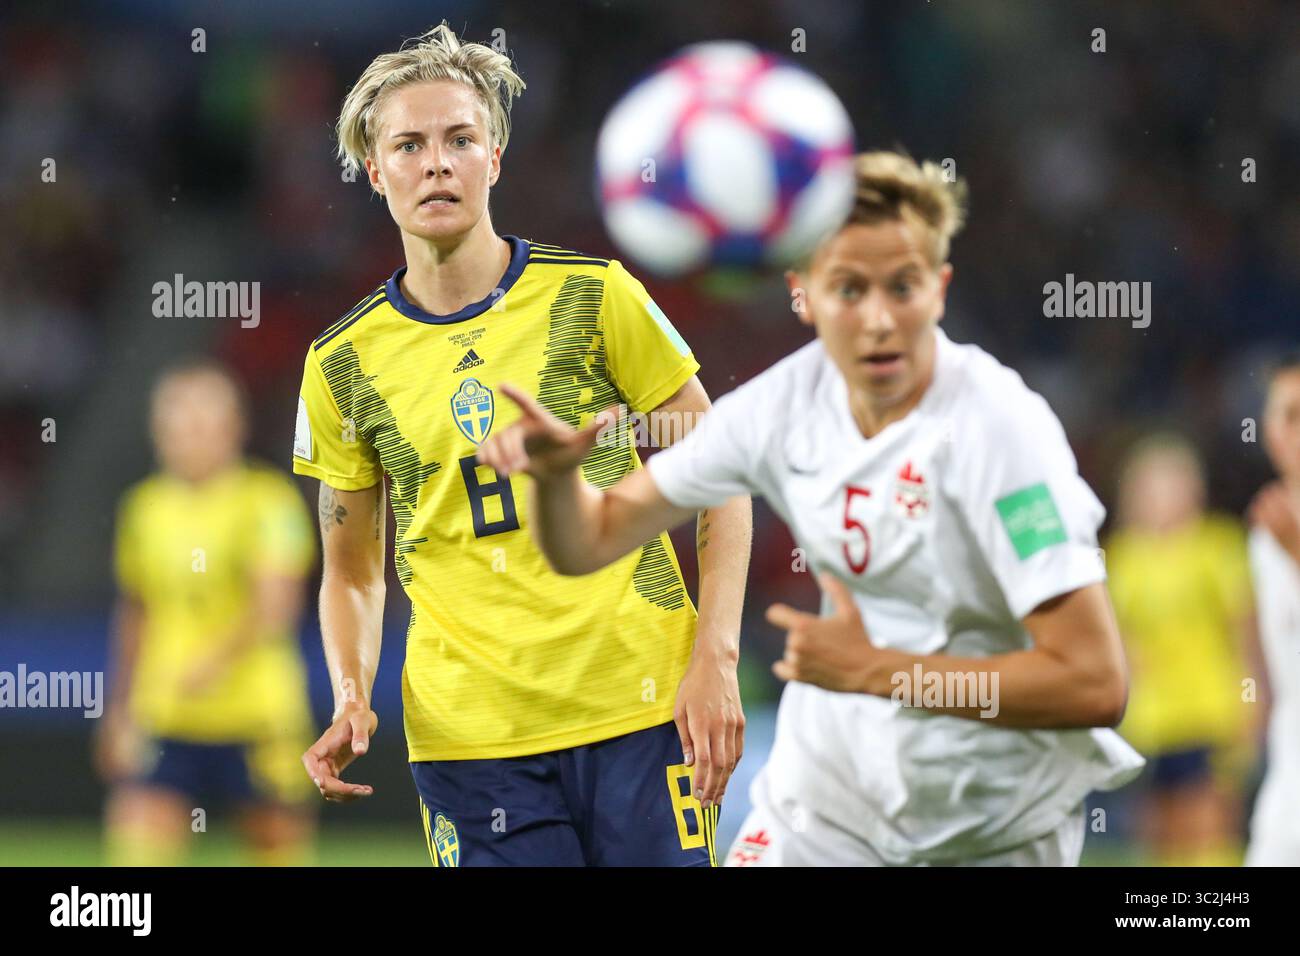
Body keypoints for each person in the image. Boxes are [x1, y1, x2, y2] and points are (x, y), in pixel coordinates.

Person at [477, 150, 1146, 866]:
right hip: (822, 815)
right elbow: (590, 540)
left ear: (940, 288)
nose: (880, 319)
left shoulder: (1002, 433)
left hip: (996, 827)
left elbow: (1094, 683)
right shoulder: (780, 406)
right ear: (802, 292)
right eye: (849, 289)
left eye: (904, 286)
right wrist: (555, 482)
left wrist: (877, 673)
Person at [293, 24, 751, 867]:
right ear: (374, 169)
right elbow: (352, 565)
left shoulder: (595, 295)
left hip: (640, 703)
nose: (438, 163)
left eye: (461, 139)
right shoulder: (341, 365)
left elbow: (720, 475)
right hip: (470, 737)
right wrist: (351, 691)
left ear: (494, 159)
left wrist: (716, 662)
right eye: (410, 144)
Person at [97, 360, 317, 865]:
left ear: (233, 428)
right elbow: (136, 610)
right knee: (136, 851)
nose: (188, 438)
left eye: (202, 424)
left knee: (275, 848)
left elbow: (277, 603)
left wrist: (214, 661)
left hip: (257, 716)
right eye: (177, 425)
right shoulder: (143, 509)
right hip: (168, 712)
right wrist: (120, 705)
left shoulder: (268, 501)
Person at [1105, 434, 1254, 866]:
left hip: (1211, 713)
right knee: (1159, 834)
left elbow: (1244, 632)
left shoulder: (1217, 547)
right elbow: (1112, 636)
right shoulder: (1123, 557)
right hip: (1150, 721)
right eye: (1151, 487)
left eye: (1171, 485)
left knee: (1208, 828)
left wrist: (1253, 699)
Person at [1244, 352, 1300, 865]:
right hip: (1290, 769)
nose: (1291, 431)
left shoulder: (1282, 534)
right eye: (1284, 415)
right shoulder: (1266, 530)